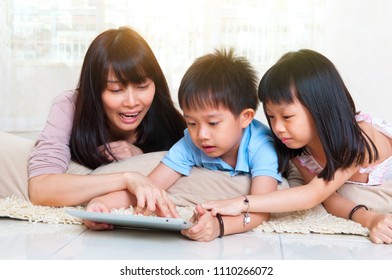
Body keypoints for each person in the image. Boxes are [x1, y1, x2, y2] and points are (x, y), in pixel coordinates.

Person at [84, 49, 282, 241]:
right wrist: (102, 203)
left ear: (245, 117)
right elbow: (149, 187)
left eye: (213, 123)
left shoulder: (262, 146)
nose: (202, 135)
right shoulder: (190, 142)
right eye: (192, 123)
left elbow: (260, 209)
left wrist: (220, 227)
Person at [203, 49, 392, 244]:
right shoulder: (298, 149)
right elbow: (328, 198)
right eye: (271, 116)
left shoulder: (358, 138)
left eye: (286, 117)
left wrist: (243, 203)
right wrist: (370, 218)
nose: (277, 127)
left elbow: (312, 195)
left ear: (320, 107)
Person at [27, 26, 186, 216]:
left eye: (142, 86)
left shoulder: (168, 117)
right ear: (94, 90)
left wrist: (141, 156)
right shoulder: (69, 106)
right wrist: (127, 178)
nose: (132, 102)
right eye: (116, 90)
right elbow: (40, 189)